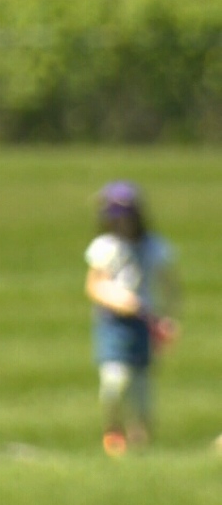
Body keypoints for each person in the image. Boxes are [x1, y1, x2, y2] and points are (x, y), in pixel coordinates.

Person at [84, 181, 181, 457]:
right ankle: (113, 431)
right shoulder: (105, 247)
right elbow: (94, 285)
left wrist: (169, 320)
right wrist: (117, 298)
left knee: (141, 391)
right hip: (113, 324)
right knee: (114, 383)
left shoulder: (154, 247)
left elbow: (170, 286)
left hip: (144, 323)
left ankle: (140, 442)